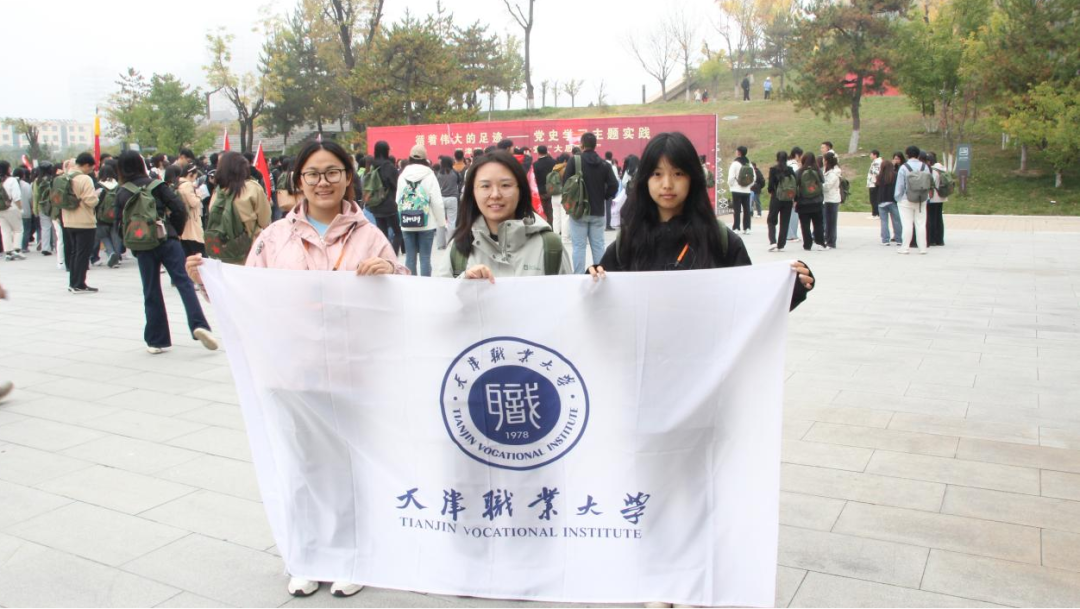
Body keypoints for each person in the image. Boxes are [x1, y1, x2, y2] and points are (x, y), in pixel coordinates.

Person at [186, 139, 406, 600]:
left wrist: (389, 273)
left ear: (348, 177)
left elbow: (402, 295)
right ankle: (307, 556)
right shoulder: (274, 237)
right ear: (299, 181)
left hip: (351, 371)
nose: (323, 182)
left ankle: (352, 556)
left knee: (348, 466)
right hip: (291, 370)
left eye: (332, 172)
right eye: (313, 174)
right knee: (300, 465)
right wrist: (209, 282)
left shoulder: (369, 235)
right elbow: (249, 295)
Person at [586, 131, 814, 315]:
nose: (667, 184)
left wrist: (792, 287)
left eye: (678, 173)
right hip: (644, 358)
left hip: (706, 358)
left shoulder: (720, 240)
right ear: (645, 180)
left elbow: (750, 305)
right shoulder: (629, 240)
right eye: (657, 174)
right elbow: (598, 308)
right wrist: (591, 280)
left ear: (692, 178)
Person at [113, 151, 218, 354]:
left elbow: (119, 225)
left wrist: (134, 243)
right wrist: (174, 232)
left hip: (143, 245)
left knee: (151, 289)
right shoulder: (157, 185)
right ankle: (199, 325)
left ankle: (156, 340)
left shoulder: (122, 192)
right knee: (184, 283)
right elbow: (179, 209)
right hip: (167, 239)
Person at [436, 151, 571, 280]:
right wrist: (464, 282)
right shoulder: (458, 248)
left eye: (505, 185)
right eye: (485, 186)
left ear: (521, 190)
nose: (495, 195)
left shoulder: (550, 246)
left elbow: (568, 294)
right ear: (473, 193)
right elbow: (442, 294)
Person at [561, 132, 619, 273]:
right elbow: (614, 185)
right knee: (598, 245)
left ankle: (579, 276)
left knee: (579, 247)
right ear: (595, 145)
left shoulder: (574, 161)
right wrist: (604, 196)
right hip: (598, 211)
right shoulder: (604, 164)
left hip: (578, 211)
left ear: (582, 144)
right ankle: (600, 274)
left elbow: (565, 183)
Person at [209, 152, 273, 258]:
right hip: (250, 250)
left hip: (222, 250)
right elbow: (264, 220)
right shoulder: (252, 188)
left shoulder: (218, 191)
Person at [395, 145, 445, 276]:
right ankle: (426, 285)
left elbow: (398, 200)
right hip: (427, 223)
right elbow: (437, 202)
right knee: (425, 258)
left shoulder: (402, 175)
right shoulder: (430, 175)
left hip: (407, 221)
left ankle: (411, 285)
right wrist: (441, 222)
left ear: (410, 157)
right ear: (425, 158)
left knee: (410, 258)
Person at [60, 153, 100, 292]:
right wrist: (97, 197)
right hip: (84, 221)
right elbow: (90, 200)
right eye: (91, 168)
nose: (91, 171)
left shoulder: (65, 176)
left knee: (74, 253)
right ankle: (79, 284)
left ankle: (73, 283)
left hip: (68, 220)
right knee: (83, 254)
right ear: (86, 165)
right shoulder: (84, 179)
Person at [894, 145, 931, 255]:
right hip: (921, 199)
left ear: (907, 155)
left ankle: (905, 247)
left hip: (906, 199)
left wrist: (898, 198)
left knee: (907, 224)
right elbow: (929, 182)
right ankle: (922, 248)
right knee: (921, 224)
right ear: (918, 155)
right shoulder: (925, 167)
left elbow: (900, 185)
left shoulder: (904, 167)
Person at [367, 141, 403, 255]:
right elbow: (395, 185)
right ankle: (392, 256)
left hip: (375, 204)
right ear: (386, 151)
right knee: (398, 232)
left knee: (382, 234)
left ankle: (384, 256)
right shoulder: (389, 167)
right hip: (389, 205)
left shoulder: (372, 166)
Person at [766, 150, 797, 252]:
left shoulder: (773, 170)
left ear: (777, 158)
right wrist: (795, 198)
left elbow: (770, 186)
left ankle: (773, 242)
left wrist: (771, 191)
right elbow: (795, 184)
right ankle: (781, 244)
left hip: (776, 198)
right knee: (785, 221)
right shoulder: (790, 170)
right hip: (788, 199)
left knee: (771, 220)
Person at [796, 152, 826, 251]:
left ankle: (807, 244)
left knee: (805, 225)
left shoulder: (799, 171)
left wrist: (795, 199)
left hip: (803, 202)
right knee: (818, 224)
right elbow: (822, 181)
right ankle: (820, 243)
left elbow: (795, 185)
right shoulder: (818, 171)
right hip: (817, 201)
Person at [95, 162, 124, 268]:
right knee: (116, 237)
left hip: (101, 217)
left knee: (104, 236)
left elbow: (95, 202)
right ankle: (117, 257)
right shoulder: (119, 186)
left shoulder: (98, 186)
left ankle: (111, 253)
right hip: (116, 216)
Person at [177, 163, 206, 258]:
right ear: (190, 174)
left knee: (187, 255)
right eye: (195, 176)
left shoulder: (178, 183)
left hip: (183, 223)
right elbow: (193, 202)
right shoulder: (187, 185)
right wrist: (199, 195)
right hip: (191, 222)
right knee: (200, 254)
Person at [0, 161, 26, 261]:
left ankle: (8, 252)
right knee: (18, 229)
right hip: (12, 208)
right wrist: (21, 209)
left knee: (5, 231)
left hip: (1, 210)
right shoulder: (12, 180)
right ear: (7, 169)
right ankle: (17, 250)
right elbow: (16, 197)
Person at [875, 153, 902, 245]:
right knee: (896, 221)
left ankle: (885, 239)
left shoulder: (879, 176)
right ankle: (899, 239)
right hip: (892, 200)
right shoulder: (895, 175)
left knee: (884, 221)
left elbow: (876, 189)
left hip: (881, 201)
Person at [434, 156, 461, 250]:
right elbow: (459, 182)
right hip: (452, 198)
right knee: (452, 221)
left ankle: (441, 244)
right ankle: (451, 243)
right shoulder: (455, 173)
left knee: (440, 222)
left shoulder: (439, 174)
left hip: (441, 198)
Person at [727, 146, 753, 234]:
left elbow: (731, 177)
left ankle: (736, 227)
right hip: (747, 190)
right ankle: (747, 228)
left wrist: (731, 185)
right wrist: (748, 186)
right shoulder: (749, 164)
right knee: (747, 209)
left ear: (739, 152)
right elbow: (754, 177)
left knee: (737, 209)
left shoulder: (735, 163)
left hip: (736, 190)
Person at [32, 163, 55, 256]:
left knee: (45, 227)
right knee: (55, 227)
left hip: (42, 206)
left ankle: (45, 247)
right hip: (54, 206)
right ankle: (56, 246)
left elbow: (35, 196)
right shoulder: (53, 179)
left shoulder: (37, 181)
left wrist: (35, 209)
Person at [822, 153, 842, 249]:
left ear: (827, 161)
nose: (823, 161)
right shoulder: (827, 171)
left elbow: (827, 186)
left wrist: (818, 185)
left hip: (832, 199)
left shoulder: (834, 173)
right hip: (827, 198)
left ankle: (831, 241)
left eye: (824, 159)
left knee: (831, 222)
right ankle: (828, 239)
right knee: (828, 221)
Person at [532, 145, 556, 225]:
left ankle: (544, 226)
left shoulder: (535, 165)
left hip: (541, 191)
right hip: (553, 190)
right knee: (551, 211)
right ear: (547, 151)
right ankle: (552, 226)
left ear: (538, 152)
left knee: (542, 211)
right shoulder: (554, 162)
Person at [927, 152, 947, 246]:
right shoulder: (941, 168)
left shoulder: (933, 170)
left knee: (932, 218)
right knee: (939, 217)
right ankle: (940, 240)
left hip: (933, 197)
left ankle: (932, 239)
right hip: (941, 195)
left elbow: (932, 182)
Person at [785, 147, 803, 243]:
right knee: (793, 213)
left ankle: (787, 233)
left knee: (786, 213)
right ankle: (791, 234)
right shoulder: (794, 166)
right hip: (792, 192)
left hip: (784, 192)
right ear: (797, 155)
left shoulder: (786, 163)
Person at [15, 167, 33, 254]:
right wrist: (32, 208)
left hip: (14, 212)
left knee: (16, 230)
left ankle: (16, 246)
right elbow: (30, 198)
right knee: (26, 230)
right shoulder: (26, 185)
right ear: (23, 175)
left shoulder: (11, 184)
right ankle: (24, 247)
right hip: (26, 211)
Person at [866, 150, 882, 218]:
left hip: (874, 183)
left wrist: (873, 181)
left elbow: (876, 173)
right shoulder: (876, 162)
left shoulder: (877, 162)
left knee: (874, 199)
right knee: (874, 199)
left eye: (871, 154)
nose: (870, 156)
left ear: (875, 155)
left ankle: (875, 214)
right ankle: (875, 213)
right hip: (873, 183)